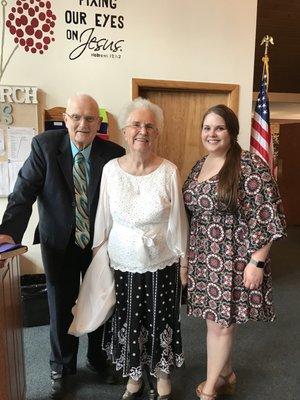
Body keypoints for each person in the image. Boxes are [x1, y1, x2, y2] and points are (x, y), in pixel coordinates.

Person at [0, 94, 125, 399]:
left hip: (99, 244)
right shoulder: (44, 146)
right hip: (59, 242)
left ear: (99, 123)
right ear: (66, 119)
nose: (83, 124)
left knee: (101, 300)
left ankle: (98, 358)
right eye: (77, 117)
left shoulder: (113, 153)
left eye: (90, 118)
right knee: (60, 304)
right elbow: (23, 193)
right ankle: (62, 365)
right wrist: (7, 234)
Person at [81, 97, 188, 400]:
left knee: (161, 318)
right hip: (122, 262)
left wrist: (183, 261)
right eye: (136, 125)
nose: (143, 131)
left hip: (161, 261)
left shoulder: (169, 171)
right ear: (125, 133)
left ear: (157, 133)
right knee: (128, 319)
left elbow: (178, 219)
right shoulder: (111, 170)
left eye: (150, 126)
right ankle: (135, 375)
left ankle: (162, 372)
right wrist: (98, 255)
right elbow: (103, 215)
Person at [182, 104, 286, 400]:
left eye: (219, 128)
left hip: (233, 258)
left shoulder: (249, 165)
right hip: (204, 256)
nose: (211, 133)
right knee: (213, 321)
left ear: (232, 132)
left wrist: (258, 262)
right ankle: (227, 374)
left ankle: (210, 388)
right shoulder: (199, 164)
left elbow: (268, 216)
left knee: (221, 325)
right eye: (207, 128)